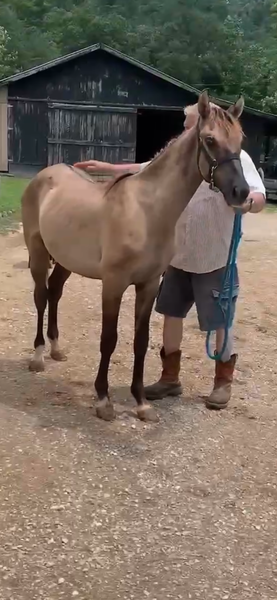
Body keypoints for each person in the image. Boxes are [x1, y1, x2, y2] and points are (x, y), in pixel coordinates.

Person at [74, 102, 266, 410]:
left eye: (190, 125)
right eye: (186, 126)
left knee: (221, 320)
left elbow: (258, 193)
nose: (185, 132)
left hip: (214, 255)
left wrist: (249, 202)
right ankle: (170, 378)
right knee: (172, 315)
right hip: (177, 254)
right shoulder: (179, 156)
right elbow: (144, 167)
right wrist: (109, 168)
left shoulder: (232, 157)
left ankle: (222, 380)